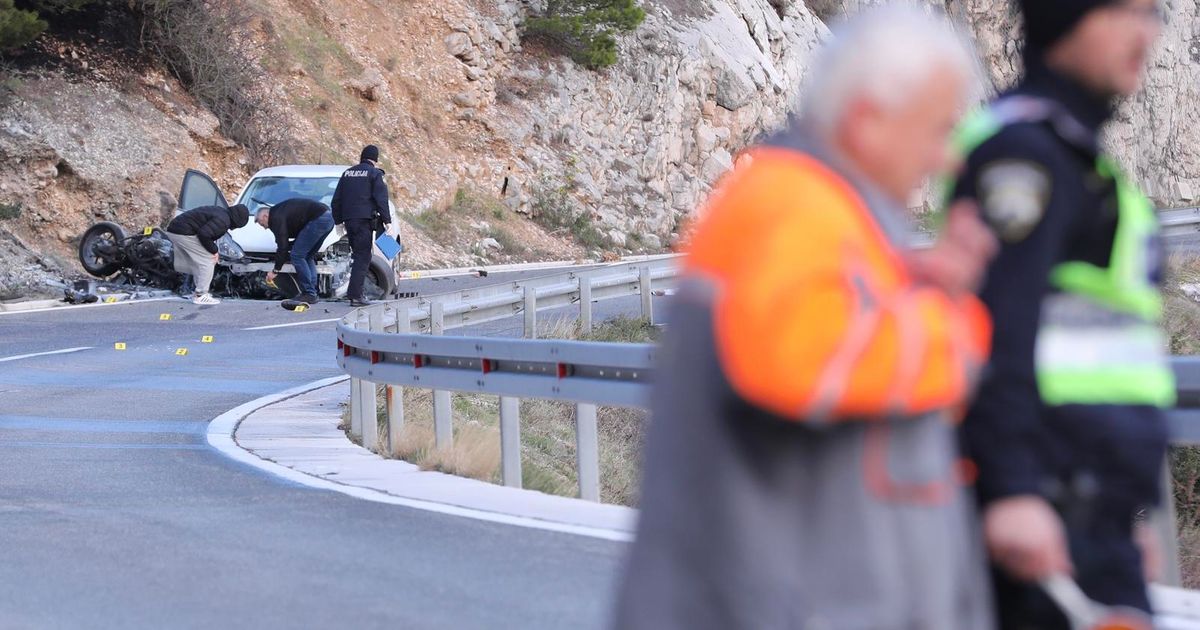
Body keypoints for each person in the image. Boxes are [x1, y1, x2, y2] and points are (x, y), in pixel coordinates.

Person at [612, 6, 999, 629]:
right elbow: (800, 359)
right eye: (936, 131)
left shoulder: (837, 216)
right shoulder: (793, 205)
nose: (946, 159)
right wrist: (953, 327)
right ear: (870, 120)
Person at [950, 1, 1170, 627]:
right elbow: (994, 328)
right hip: (1045, 509)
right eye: (1127, 10)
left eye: (1155, 13)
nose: (1145, 31)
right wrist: (1014, 489)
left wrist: (1123, 516)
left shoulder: (1074, 154)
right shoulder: (1024, 153)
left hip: (1089, 511)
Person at [331, 144, 392, 307]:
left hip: (349, 222)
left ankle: (354, 291)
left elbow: (336, 200)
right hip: (364, 221)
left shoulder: (347, 173)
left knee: (356, 255)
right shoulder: (374, 174)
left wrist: (338, 221)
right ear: (375, 159)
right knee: (363, 257)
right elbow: (381, 199)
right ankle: (356, 295)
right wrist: (387, 220)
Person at [165, 203, 249, 305]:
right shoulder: (223, 221)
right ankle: (201, 294)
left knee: (200, 259)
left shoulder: (222, 213)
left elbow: (206, 233)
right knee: (208, 259)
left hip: (178, 229)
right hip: (182, 232)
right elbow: (204, 234)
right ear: (238, 221)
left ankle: (197, 292)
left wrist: (213, 249)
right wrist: (214, 251)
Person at [256, 198, 335, 306]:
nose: (264, 228)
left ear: (265, 216)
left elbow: (282, 247)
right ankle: (312, 292)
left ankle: (309, 293)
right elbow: (291, 238)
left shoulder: (276, 218)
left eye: (262, 224)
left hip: (318, 219)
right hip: (328, 217)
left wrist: (275, 270)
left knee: (297, 255)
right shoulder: (280, 211)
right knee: (307, 256)